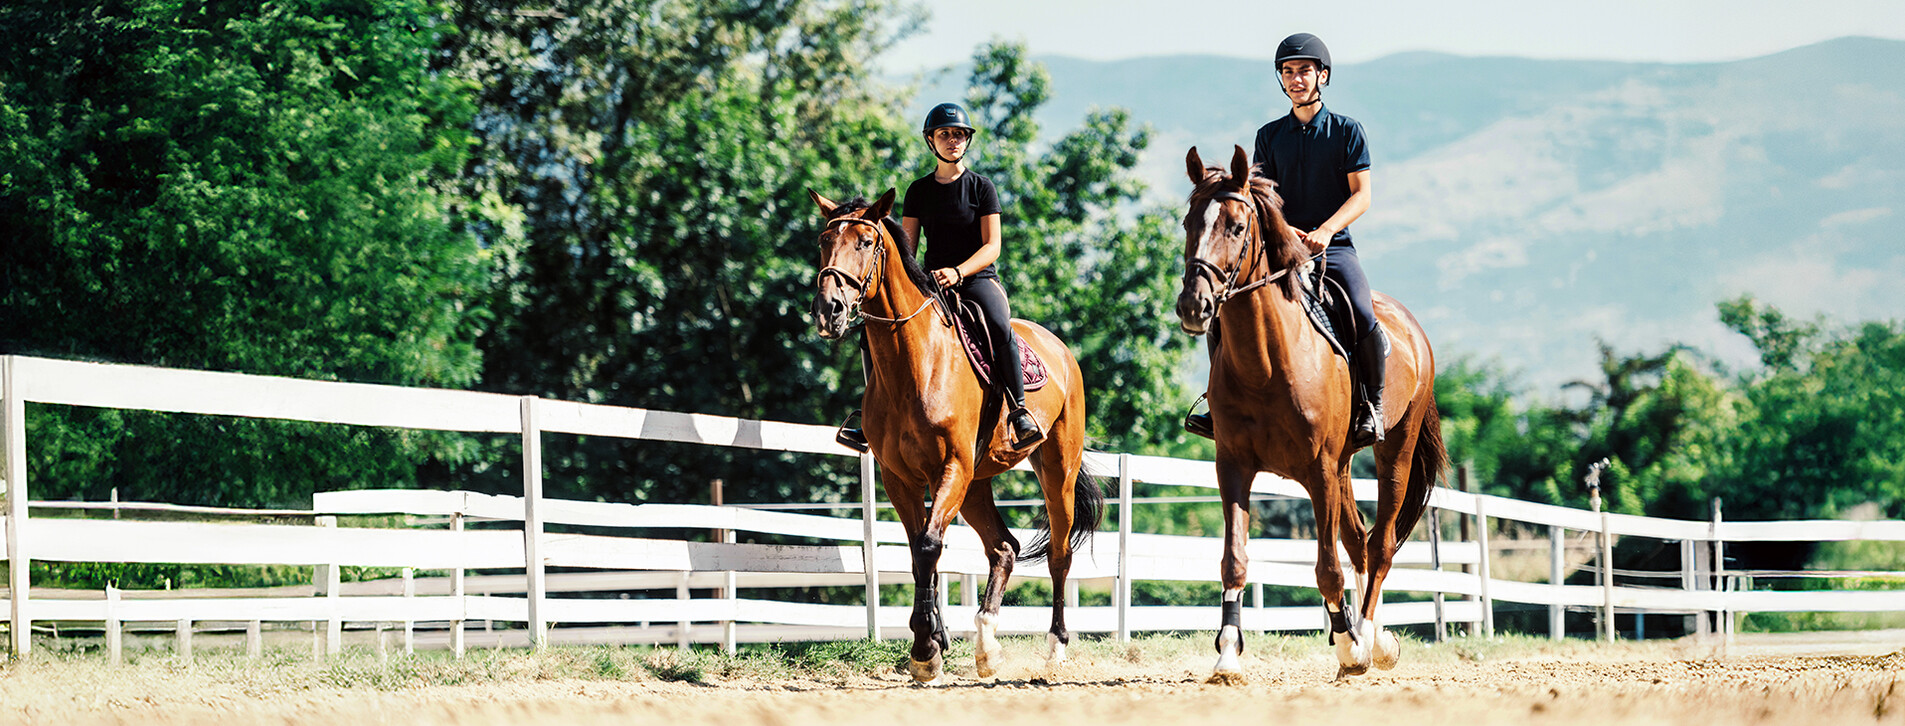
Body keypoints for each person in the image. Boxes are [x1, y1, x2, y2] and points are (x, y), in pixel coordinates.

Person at [1186, 32, 1387, 448]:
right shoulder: (1270, 135)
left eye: (1304, 71)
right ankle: (1216, 401)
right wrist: (1288, 231)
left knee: (1363, 312)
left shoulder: (1347, 131)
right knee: (1223, 313)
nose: (1296, 79)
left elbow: (1362, 195)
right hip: (1282, 246)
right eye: (1288, 72)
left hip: (1335, 246)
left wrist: (1326, 231)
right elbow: (1266, 198)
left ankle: (1372, 405)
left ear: (1323, 76)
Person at [837, 102, 1044, 452]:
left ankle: (1019, 411)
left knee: (998, 323)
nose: (953, 140)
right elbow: (906, 249)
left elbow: (992, 247)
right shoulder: (918, 191)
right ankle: (873, 416)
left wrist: (959, 271)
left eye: (959, 134)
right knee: (872, 331)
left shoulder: (982, 187)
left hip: (976, 278)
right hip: (930, 281)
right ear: (931, 141)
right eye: (945, 134)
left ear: (967, 141)